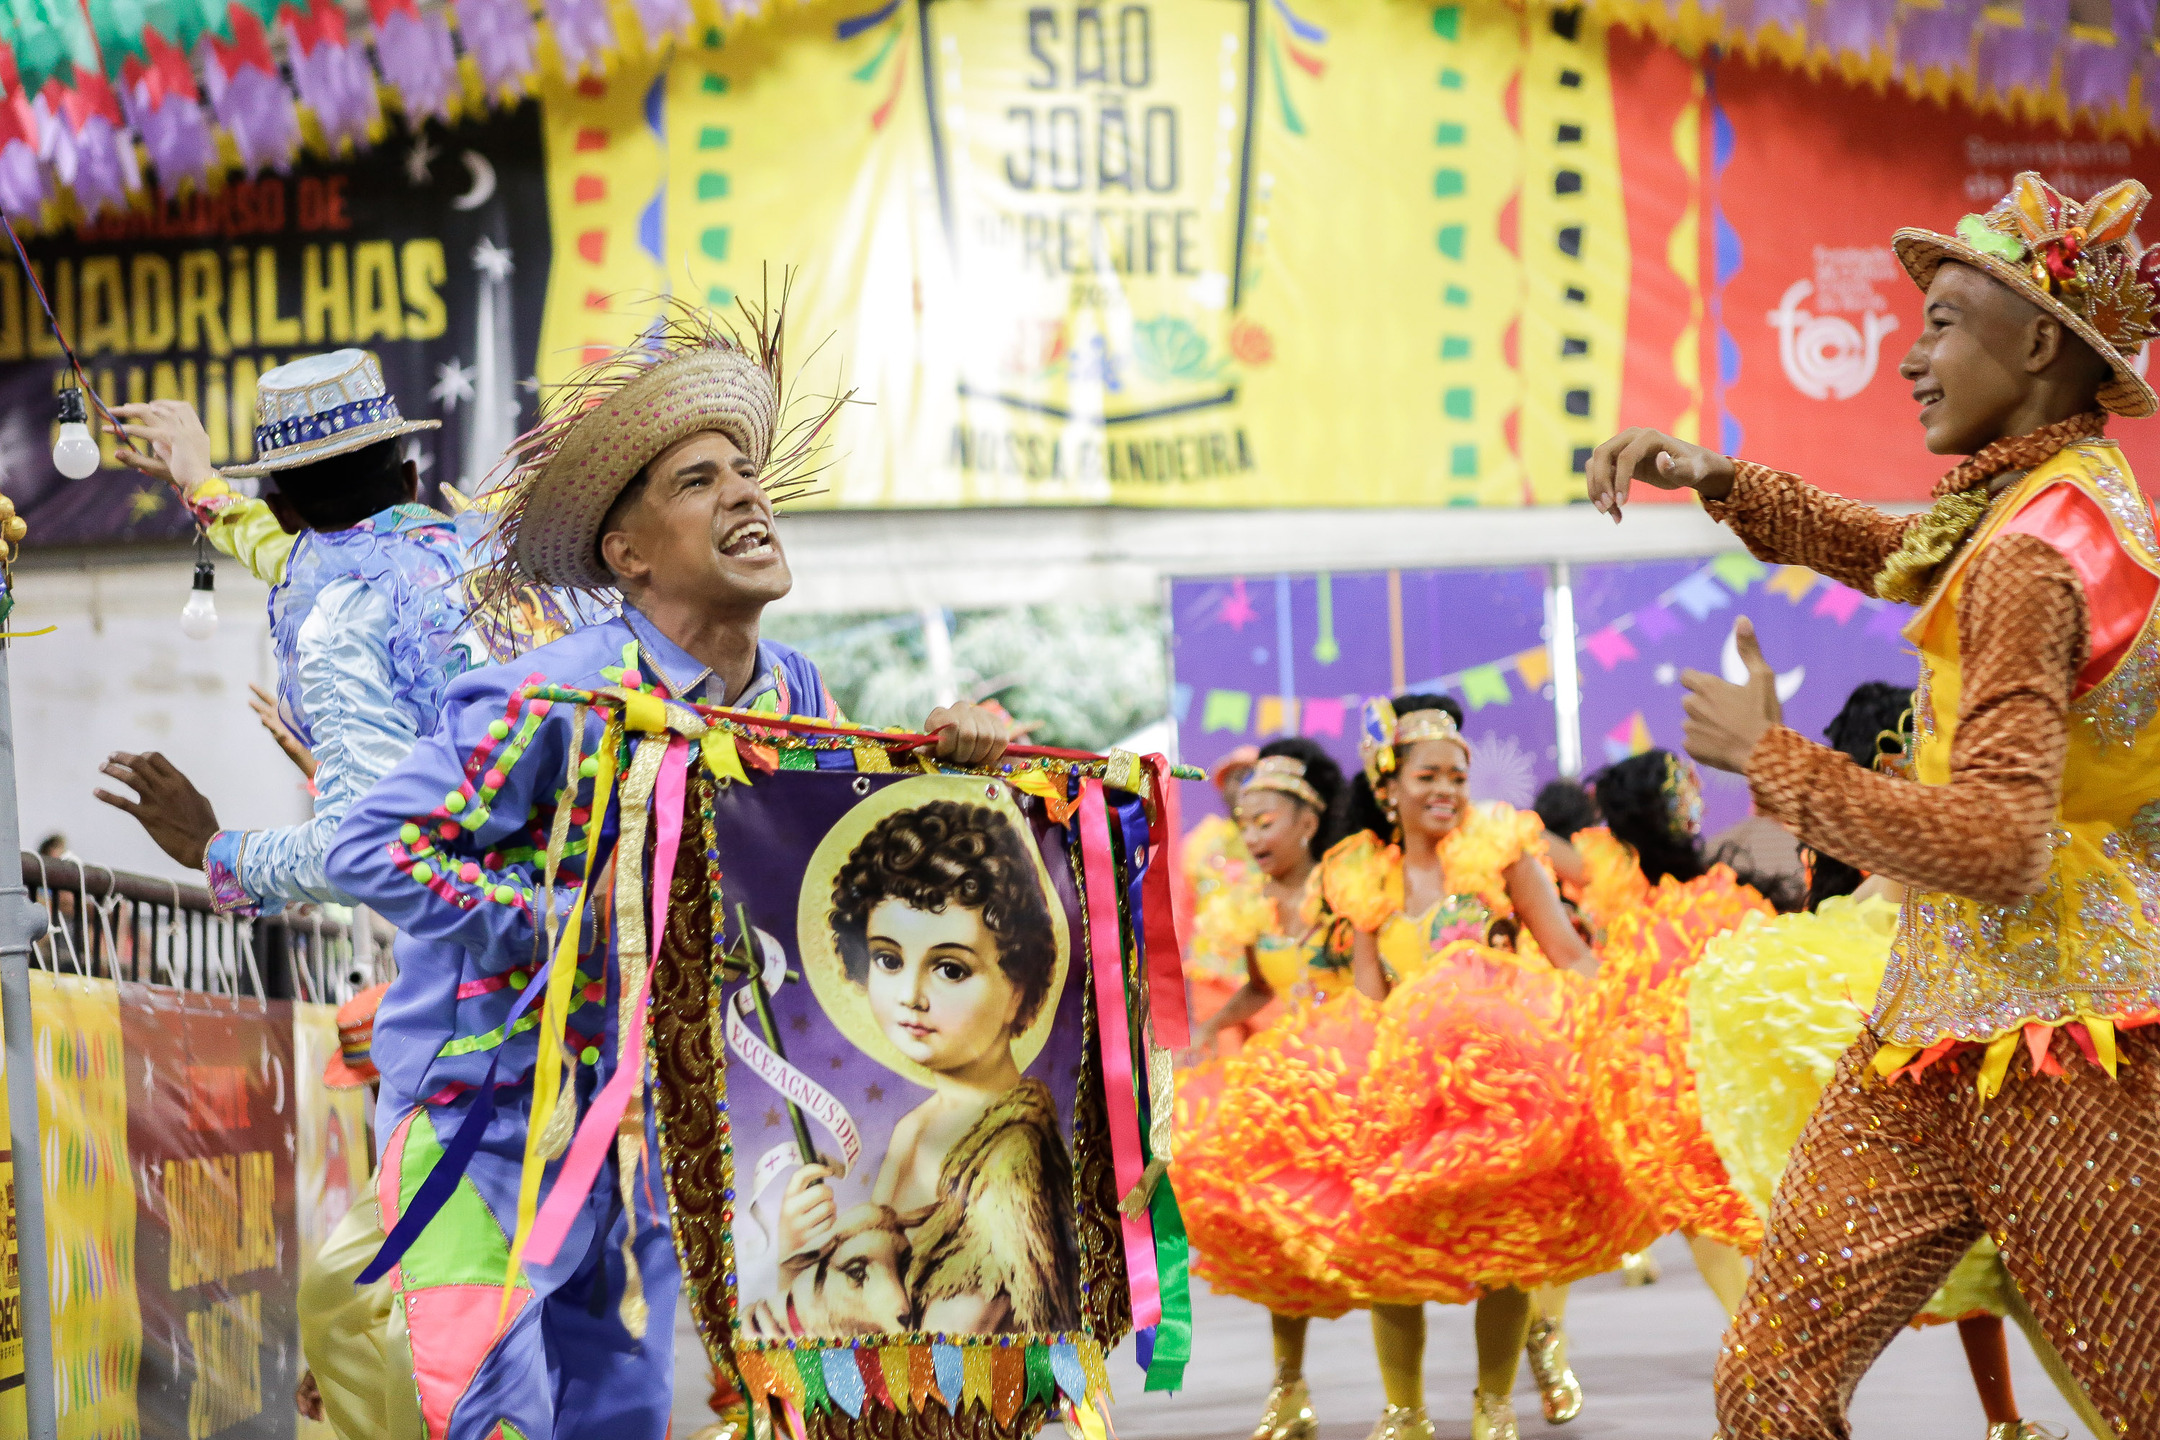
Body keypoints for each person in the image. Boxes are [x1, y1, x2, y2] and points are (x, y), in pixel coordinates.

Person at [324, 300, 1009, 1440]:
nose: (746, 492)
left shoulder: (795, 699)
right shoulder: (554, 695)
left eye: (745, 471)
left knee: (621, 1415)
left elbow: (833, 886)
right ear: (627, 554)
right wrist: (565, 923)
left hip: (647, 1132)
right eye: (698, 481)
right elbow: (372, 846)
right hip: (481, 1130)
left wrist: (956, 774)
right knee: (490, 1415)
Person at [1587, 171, 2160, 1439]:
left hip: (2070, 1052)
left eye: (1944, 322)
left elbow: (2003, 847)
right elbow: (1892, 547)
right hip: (1929, 1039)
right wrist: (1718, 476)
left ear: (2038, 344)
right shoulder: (2035, 506)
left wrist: (1774, 759)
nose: (1912, 357)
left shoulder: (2029, 557)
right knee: (1771, 1387)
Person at [1209, 696, 1652, 1440]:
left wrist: (1618, 1017)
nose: (1445, 790)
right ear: (1390, 788)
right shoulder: (1361, 877)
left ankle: (1494, 1405)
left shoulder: (1502, 856)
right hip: (1403, 1082)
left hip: (1503, 1083)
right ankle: (1405, 1412)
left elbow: (1570, 953)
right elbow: (1370, 990)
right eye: (1428, 777)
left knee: (1507, 1249)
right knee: (1389, 1247)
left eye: (1456, 775)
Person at [1688, 682, 2102, 1440]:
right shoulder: (1867, 909)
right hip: (1934, 1086)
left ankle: (2006, 1420)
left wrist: (1771, 753)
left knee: (2069, 1313)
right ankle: (2004, 1420)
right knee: (1774, 1380)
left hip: (2049, 1078)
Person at [90, 353, 467, 918]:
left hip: (492, 972)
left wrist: (209, 846)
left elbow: (364, 856)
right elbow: (293, 554)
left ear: (285, 511)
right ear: (412, 480)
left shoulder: (343, 617)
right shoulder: (492, 560)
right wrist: (204, 489)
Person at [774, 798, 1079, 1335]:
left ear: (1020, 988)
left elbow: (955, 1339)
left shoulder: (1011, 1152)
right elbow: (872, 1294)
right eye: (889, 960)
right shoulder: (914, 1126)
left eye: (950, 969)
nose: (910, 996)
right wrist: (799, 1253)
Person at [1172, 739, 1347, 1440]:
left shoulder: (1348, 891)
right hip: (1285, 1076)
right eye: (1245, 822)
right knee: (1282, 1231)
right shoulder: (1250, 905)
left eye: (1264, 820)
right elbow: (1256, 985)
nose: (1251, 835)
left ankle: (1425, 1398)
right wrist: (1207, 1029)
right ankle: (1289, 1386)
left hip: (1351, 1068)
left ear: (1306, 821)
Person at [1580, 750, 1778, 1318]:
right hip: (1700, 1081)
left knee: (1715, 1202)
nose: (1692, 800)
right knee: (1716, 1201)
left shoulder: (1680, 903)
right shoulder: (1708, 896)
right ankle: (1758, 1330)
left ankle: (1755, 1328)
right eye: (1680, 792)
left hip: (1704, 1082)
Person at [295, 983, 424, 1440]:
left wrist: (334, 1343)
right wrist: (332, 1355)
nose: (374, 1104)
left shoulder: (420, 1145)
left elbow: (335, 1289)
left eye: (377, 1088)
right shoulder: (407, 1144)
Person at [1182, 745, 1263, 1050]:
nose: (1244, 785)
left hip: (1270, 978)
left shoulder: (1284, 840)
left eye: (1252, 776)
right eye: (1236, 777)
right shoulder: (1199, 844)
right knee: (1223, 1079)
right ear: (1222, 788)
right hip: (1213, 980)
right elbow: (1181, 913)